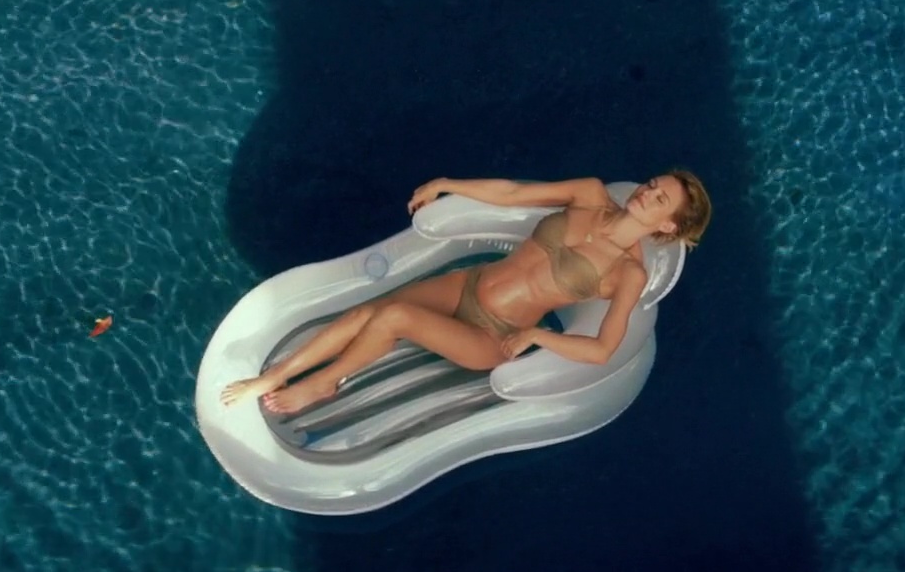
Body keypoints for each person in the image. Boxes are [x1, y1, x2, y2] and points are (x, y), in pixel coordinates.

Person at [220, 171, 712, 414]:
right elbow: (513, 193)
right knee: (369, 310)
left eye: (659, 198)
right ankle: (275, 376)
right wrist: (446, 183)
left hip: (494, 335)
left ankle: (325, 383)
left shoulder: (628, 274)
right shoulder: (589, 194)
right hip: (470, 284)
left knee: (393, 317)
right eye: (651, 183)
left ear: (667, 225)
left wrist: (539, 337)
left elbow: (603, 349)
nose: (645, 193)